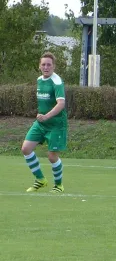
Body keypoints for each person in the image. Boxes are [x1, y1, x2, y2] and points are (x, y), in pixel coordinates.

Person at [21, 52, 67, 193]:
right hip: (41, 123)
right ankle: (40, 179)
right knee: (26, 148)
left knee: (52, 156)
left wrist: (47, 116)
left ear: (54, 66)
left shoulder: (57, 81)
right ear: (39, 66)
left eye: (49, 64)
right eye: (43, 64)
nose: (46, 67)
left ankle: (58, 185)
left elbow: (61, 104)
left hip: (56, 125)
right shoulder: (39, 80)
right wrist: (41, 115)